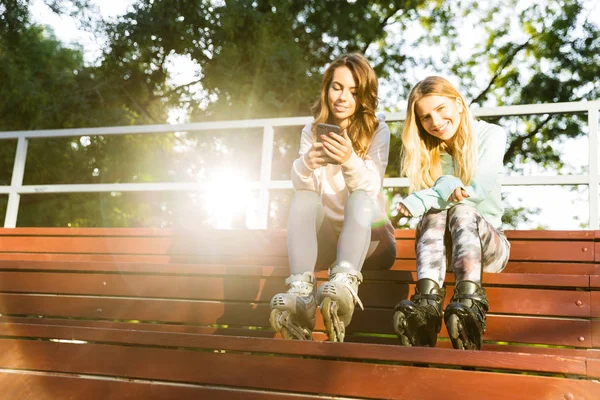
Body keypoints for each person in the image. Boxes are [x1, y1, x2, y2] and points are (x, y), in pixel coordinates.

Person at [269, 53, 396, 342]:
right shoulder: (312, 130)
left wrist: (350, 159)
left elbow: (372, 186)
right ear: (326, 88)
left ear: (364, 96)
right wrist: (306, 164)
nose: (343, 97)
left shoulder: (378, 129)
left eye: (353, 91)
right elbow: (306, 191)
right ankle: (302, 292)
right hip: (327, 242)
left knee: (362, 197)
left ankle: (346, 284)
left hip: (371, 242)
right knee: (303, 197)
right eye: (337, 87)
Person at [392, 76, 510, 350]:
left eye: (441, 108)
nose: (435, 121)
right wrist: (440, 190)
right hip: (443, 256)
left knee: (462, 210)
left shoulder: (491, 135)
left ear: (458, 103)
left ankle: (470, 304)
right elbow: (436, 208)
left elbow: (476, 191)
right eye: (425, 117)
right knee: (432, 214)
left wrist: (434, 191)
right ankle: (427, 307)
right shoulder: (428, 153)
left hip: (488, 248)